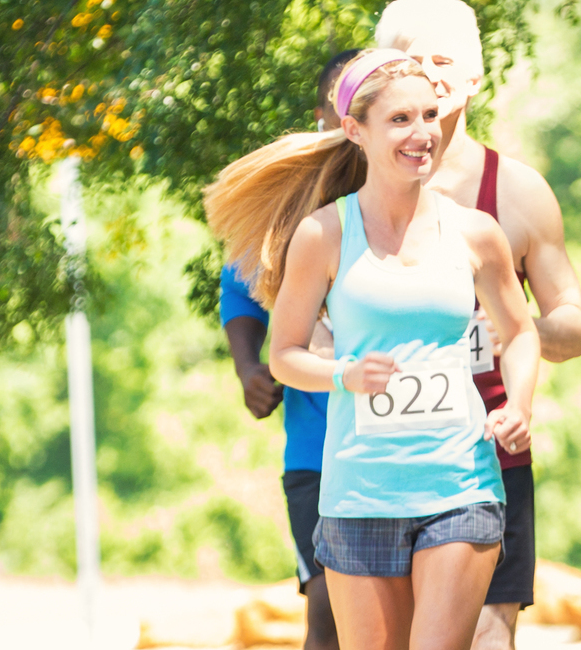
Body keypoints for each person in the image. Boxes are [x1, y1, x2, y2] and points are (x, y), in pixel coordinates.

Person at [203, 49, 542, 650]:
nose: (423, 134)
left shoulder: (475, 232)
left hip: (460, 485)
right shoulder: (322, 235)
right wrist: (344, 374)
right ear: (355, 130)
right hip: (360, 492)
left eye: (429, 115)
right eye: (401, 120)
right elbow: (283, 355)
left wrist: (519, 403)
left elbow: (519, 332)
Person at [373, 5, 581, 646]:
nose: (430, 77)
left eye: (444, 61)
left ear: (473, 78)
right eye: (414, 63)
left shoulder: (518, 192)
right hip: (381, 461)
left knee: (489, 638)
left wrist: (527, 331)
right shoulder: (345, 188)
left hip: (489, 459)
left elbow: (573, 323)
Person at [217, 47, 357, 650]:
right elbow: (241, 292)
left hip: (403, 447)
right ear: (323, 115)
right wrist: (250, 367)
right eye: (338, 105)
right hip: (317, 452)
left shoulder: (416, 206)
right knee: (327, 604)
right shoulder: (289, 211)